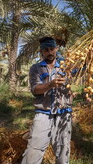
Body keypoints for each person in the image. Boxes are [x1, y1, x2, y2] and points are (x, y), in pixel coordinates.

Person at [22, 36, 73, 164]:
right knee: (34, 149)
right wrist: (50, 84)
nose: (50, 52)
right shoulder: (36, 68)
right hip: (43, 113)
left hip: (63, 112)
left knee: (63, 149)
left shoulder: (66, 66)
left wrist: (89, 55)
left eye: (52, 49)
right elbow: (35, 89)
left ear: (56, 49)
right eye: (46, 50)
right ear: (41, 52)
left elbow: (83, 69)